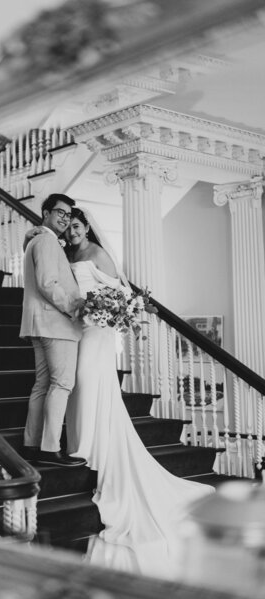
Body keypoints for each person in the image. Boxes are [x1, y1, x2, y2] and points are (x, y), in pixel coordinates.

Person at [25, 206, 214, 565]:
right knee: (74, 387)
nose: (73, 232)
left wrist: (106, 311)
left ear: (87, 227)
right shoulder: (63, 251)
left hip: (95, 333)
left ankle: (90, 447)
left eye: (78, 226)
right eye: (70, 227)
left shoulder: (97, 254)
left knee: (85, 383)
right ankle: (80, 443)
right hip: (75, 330)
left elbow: (122, 294)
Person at [20, 193, 86, 468]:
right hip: (56, 324)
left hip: (40, 324)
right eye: (60, 212)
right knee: (61, 385)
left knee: (42, 385)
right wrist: (75, 307)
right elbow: (48, 284)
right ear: (46, 213)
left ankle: (31, 445)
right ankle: (50, 449)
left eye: (69, 215)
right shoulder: (46, 240)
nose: (65, 218)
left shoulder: (36, 239)